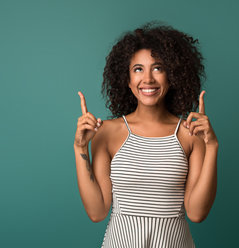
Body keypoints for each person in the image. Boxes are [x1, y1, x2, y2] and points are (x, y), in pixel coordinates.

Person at [73, 21, 219, 248]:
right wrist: (80, 149)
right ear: (127, 79)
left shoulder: (190, 135)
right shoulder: (107, 133)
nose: (148, 79)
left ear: (172, 76)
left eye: (158, 68)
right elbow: (97, 211)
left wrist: (211, 147)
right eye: (138, 69)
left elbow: (197, 213)